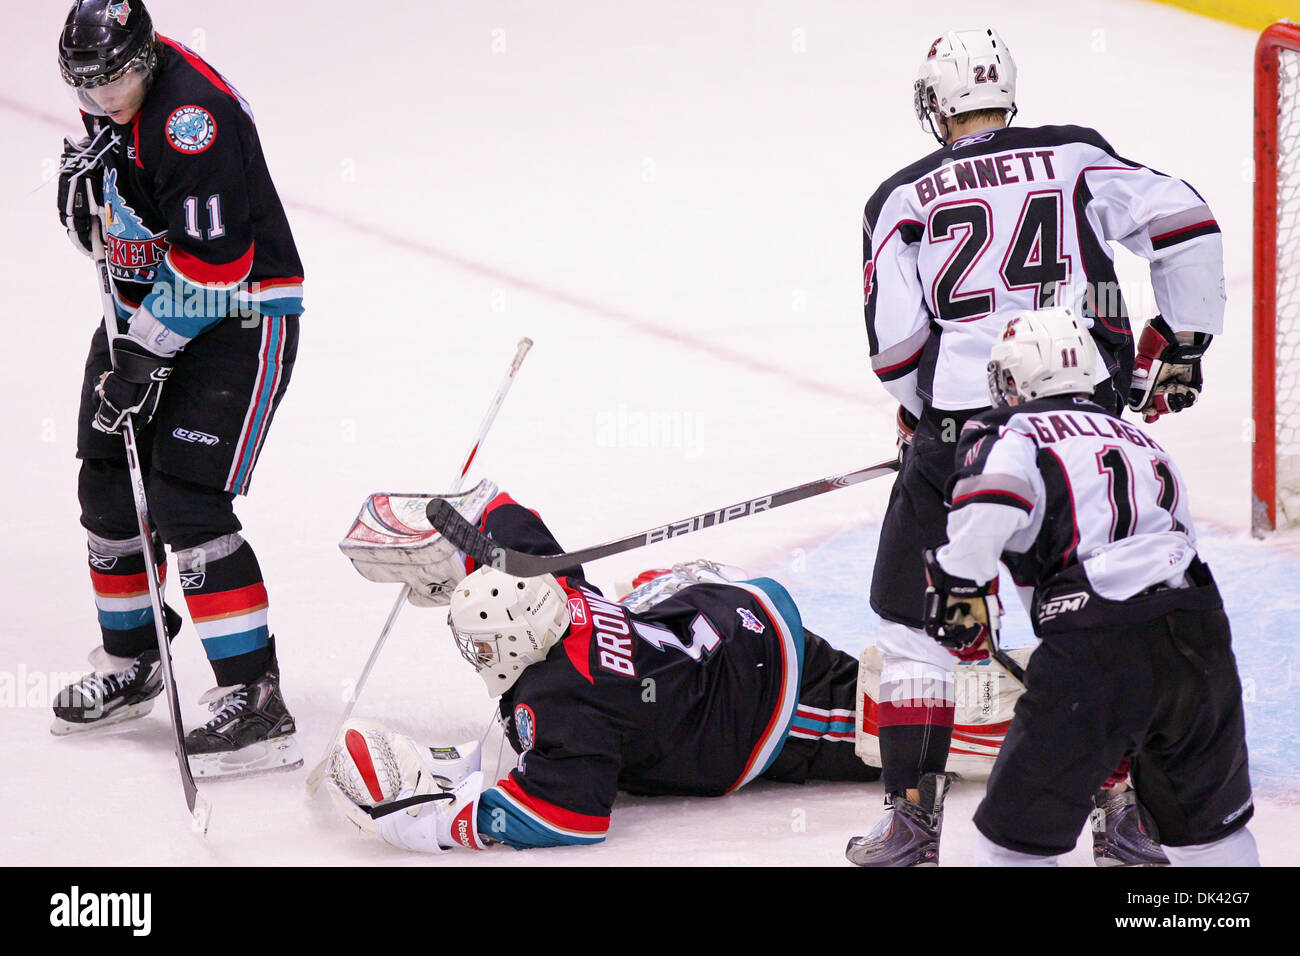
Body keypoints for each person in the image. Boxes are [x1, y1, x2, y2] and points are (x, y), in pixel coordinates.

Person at [848, 27, 1224, 866]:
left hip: (964, 433)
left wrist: (923, 419)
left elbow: (896, 348)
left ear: (935, 104)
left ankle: (912, 824)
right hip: (1088, 423)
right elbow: (1188, 220)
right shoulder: (1077, 156)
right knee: (1101, 614)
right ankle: (1121, 813)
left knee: (914, 628)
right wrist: (1184, 339)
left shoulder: (902, 197)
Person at [323, 481, 882, 852]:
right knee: (636, 621)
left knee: (888, 727)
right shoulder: (554, 586)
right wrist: (445, 526)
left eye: (484, 644)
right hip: (726, 615)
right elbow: (500, 514)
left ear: (515, 642)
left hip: (767, 692)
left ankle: (949, 719)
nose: (477, 656)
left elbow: (566, 816)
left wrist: (437, 826)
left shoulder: (563, 703)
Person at [50, 0, 304, 778]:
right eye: (84, 90)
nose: (100, 102)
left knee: (186, 501)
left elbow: (217, 268)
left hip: (239, 321)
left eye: (112, 84)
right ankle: (132, 661)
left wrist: (142, 358)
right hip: (144, 313)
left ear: (146, 57)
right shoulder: (112, 95)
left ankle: (255, 699)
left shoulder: (191, 117)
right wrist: (88, 223)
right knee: (106, 488)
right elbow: (128, 217)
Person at [919, 305, 1257, 866]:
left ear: (1013, 379)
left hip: (1098, 642)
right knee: (1210, 837)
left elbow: (988, 509)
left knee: (1011, 844)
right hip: (1199, 635)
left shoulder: (1009, 428)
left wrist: (960, 592)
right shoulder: (1142, 442)